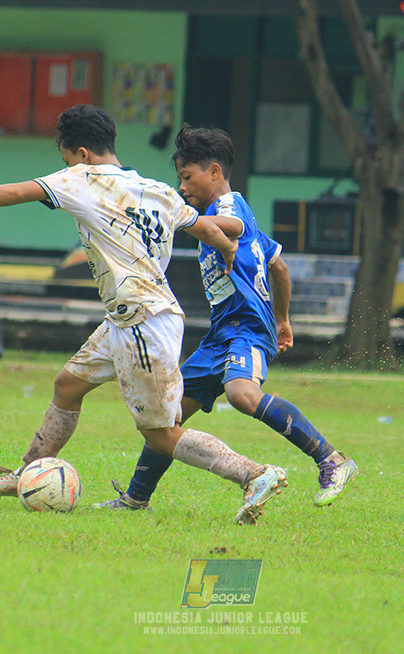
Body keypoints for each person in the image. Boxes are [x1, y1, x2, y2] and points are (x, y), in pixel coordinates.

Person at [0, 104, 287, 525]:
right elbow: (203, 226)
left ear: (80, 153)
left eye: (64, 161)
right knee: (67, 386)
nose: (62, 170)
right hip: (130, 317)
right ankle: (25, 473)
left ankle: (254, 474)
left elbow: (22, 191)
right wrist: (227, 248)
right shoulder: (155, 190)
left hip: (141, 322)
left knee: (159, 433)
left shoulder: (82, 178)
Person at [96, 124, 358, 512]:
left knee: (241, 395)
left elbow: (232, 227)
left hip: (247, 329)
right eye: (180, 180)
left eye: (188, 177)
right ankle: (135, 499)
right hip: (222, 335)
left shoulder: (228, 207)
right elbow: (280, 268)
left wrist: (177, 218)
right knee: (164, 419)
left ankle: (333, 461)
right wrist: (285, 320)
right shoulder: (236, 224)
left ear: (214, 172)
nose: (183, 187)